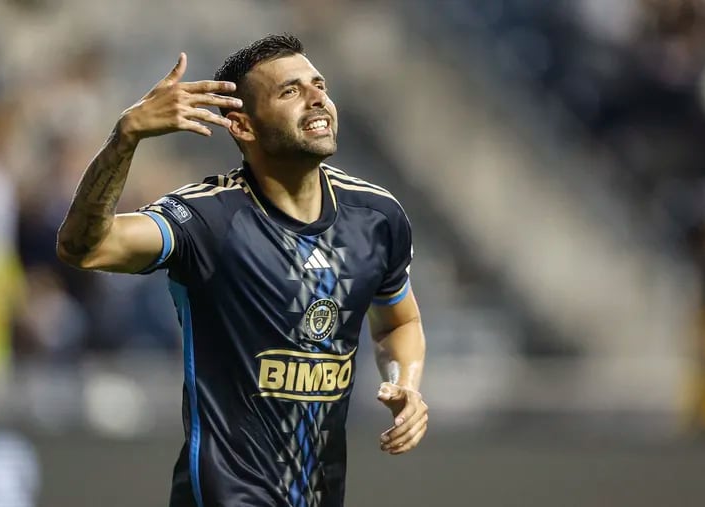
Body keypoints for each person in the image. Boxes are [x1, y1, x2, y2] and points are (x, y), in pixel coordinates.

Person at [56, 34, 428, 507]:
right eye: (290, 91)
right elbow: (83, 248)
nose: (317, 98)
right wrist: (125, 137)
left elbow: (400, 320)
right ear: (243, 126)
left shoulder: (377, 216)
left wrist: (406, 385)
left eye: (319, 85)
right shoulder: (208, 220)